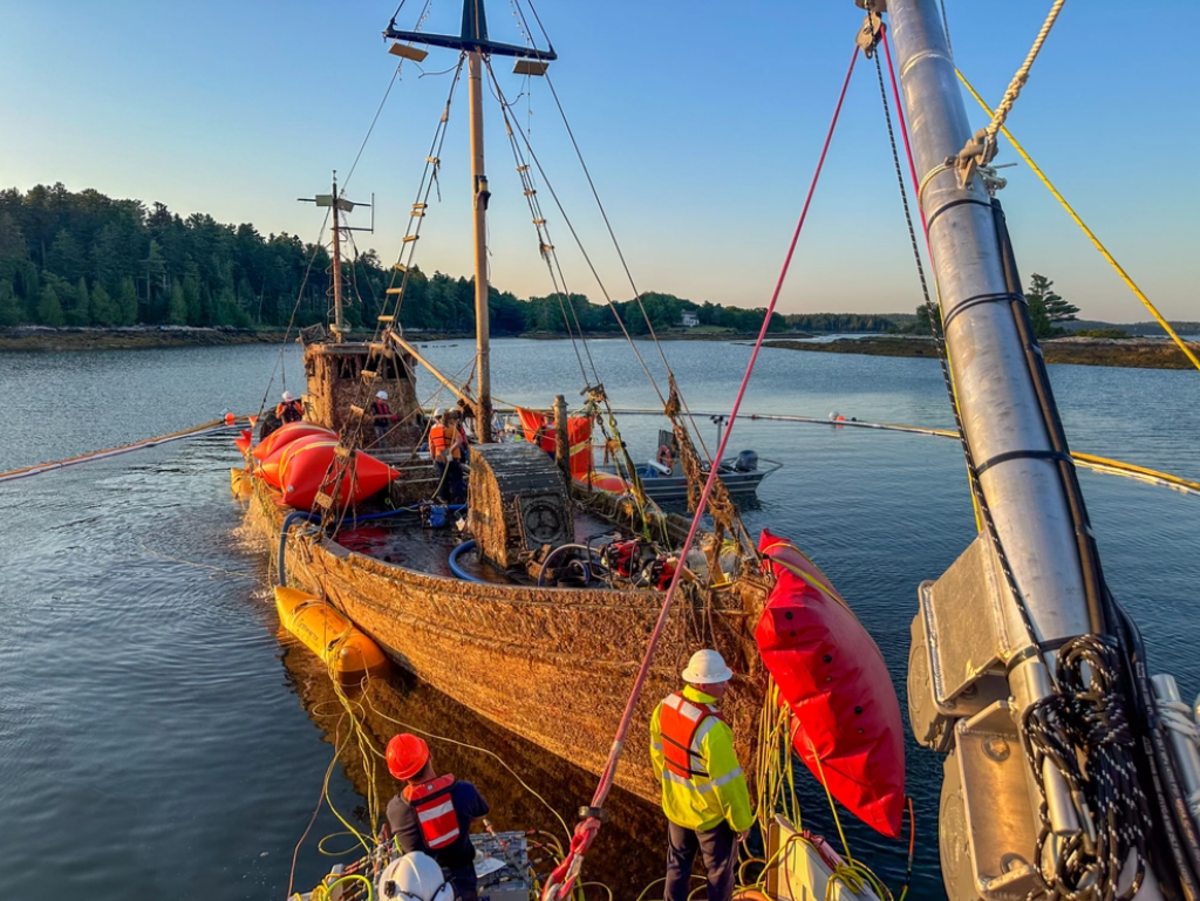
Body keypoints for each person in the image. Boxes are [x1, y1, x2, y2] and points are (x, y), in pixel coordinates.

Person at [650, 649, 754, 901]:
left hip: (676, 809)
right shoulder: (713, 729)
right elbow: (729, 784)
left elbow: (657, 754)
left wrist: (670, 790)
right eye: (720, 681)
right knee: (718, 872)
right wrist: (742, 823)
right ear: (701, 684)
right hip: (709, 818)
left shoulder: (665, 707)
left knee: (677, 866)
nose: (726, 686)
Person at [386, 733, 490, 901]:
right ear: (430, 756)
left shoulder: (396, 811)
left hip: (422, 887)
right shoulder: (465, 791)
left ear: (399, 775)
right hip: (463, 875)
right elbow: (480, 815)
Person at [428, 408, 466, 504]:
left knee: (443, 478)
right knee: (456, 478)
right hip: (451, 456)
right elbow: (459, 440)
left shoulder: (432, 429)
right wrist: (449, 450)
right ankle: (458, 498)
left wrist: (433, 457)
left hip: (439, 457)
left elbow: (431, 446)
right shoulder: (450, 427)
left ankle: (444, 498)